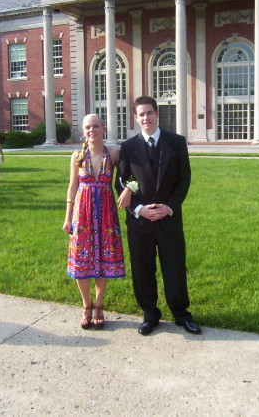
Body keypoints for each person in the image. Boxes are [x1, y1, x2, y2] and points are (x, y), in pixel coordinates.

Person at [116, 96, 201, 336]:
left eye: (149, 113)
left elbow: (184, 179)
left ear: (157, 114)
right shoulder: (128, 146)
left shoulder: (176, 142)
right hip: (140, 221)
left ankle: (181, 314)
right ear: (135, 117)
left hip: (169, 220)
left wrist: (169, 207)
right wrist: (138, 208)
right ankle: (150, 314)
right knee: (143, 269)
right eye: (141, 114)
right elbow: (123, 180)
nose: (146, 118)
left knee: (174, 267)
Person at [62, 114, 125, 330]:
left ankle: (99, 305)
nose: (92, 130)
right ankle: (86, 305)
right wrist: (67, 217)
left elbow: (126, 178)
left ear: (103, 128)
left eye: (96, 126)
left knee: (103, 259)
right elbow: (72, 187)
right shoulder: (77, 156)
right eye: (88, 127)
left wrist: (128, 190)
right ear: (83, 130)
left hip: (106, 214)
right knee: (82, 259)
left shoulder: (114, 153)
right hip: (83, 215)